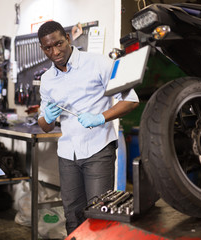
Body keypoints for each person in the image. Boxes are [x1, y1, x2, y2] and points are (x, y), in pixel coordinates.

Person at [37, 20, 139, 235]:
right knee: (72, 215)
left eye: (58, 44)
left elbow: (131, 100)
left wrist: (100, 118)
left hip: (98, 148)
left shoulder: (99, 63)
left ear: (68, 38)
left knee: (99, 214)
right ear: (42, 48)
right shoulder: (47, 80)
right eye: (48, 48)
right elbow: (44, 126)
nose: (55, 52)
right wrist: (47, 117)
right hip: (67, 154)